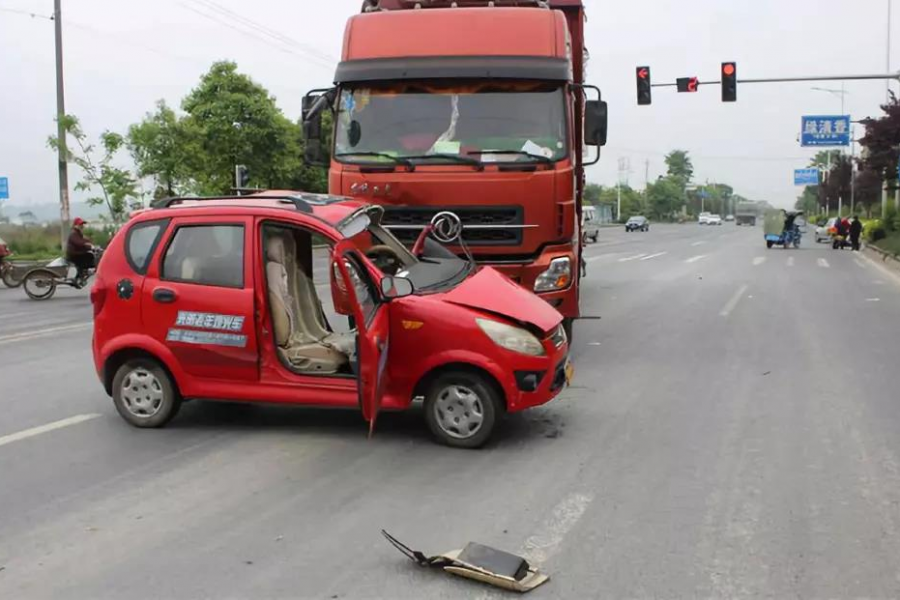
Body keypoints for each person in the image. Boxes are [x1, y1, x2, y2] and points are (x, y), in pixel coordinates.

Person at [66, 217, 94, 283]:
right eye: (80, 224)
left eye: (82, 224)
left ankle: (81, 274)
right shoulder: (74, 233)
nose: (82, 226)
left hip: (77, 253)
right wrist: (88, 245)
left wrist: (89, 243)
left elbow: (83, 240)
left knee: (89, 255)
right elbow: (78, 242)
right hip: (74, 254)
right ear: (75, 225)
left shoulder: (78, 233)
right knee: (89, 256)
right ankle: (82, 273)